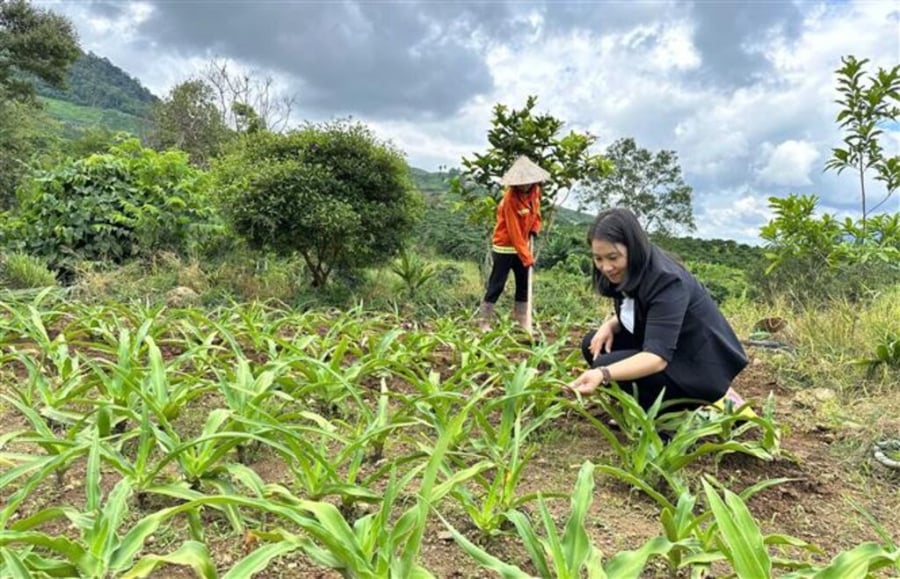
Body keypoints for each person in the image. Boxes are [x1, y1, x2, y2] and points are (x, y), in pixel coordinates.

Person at [568, 207, 748, 414]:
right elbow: (644, 311)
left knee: (606, 362)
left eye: (613, 257)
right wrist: (610, 324)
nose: (606, 267)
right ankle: (642, 406)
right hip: (673, 352)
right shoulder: (629, 271)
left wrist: (603, 373)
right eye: (598, 259)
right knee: (594, 344)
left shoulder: (667, 281)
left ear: (633, 249)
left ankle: (665, 417)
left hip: (699, 368)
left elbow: (656, 358)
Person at [477, 155, 549, 332]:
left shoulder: (535, 191)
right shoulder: (509, 200)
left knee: (523, 284)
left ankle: (522, 321)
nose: (525, 185)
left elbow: (536, 212)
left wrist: (535, 228)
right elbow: (514, 230)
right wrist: (526, 256)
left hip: (523, 245)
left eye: (528, 182)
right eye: (521, 183)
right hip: (505, 247)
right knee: (497, 284)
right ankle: (483, 321)